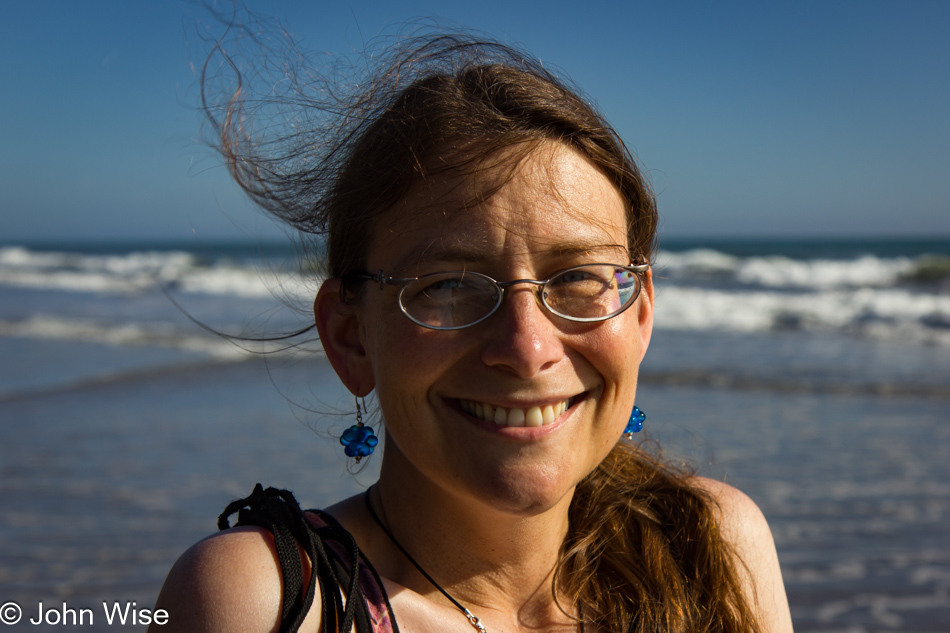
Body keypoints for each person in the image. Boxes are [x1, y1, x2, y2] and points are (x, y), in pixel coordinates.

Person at [152, 30, 793, 633]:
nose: (526, 349)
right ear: (350, 336)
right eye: (449, 286)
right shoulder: (270, 603)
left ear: (640, 314)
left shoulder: (708, 549)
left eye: (578, 278)